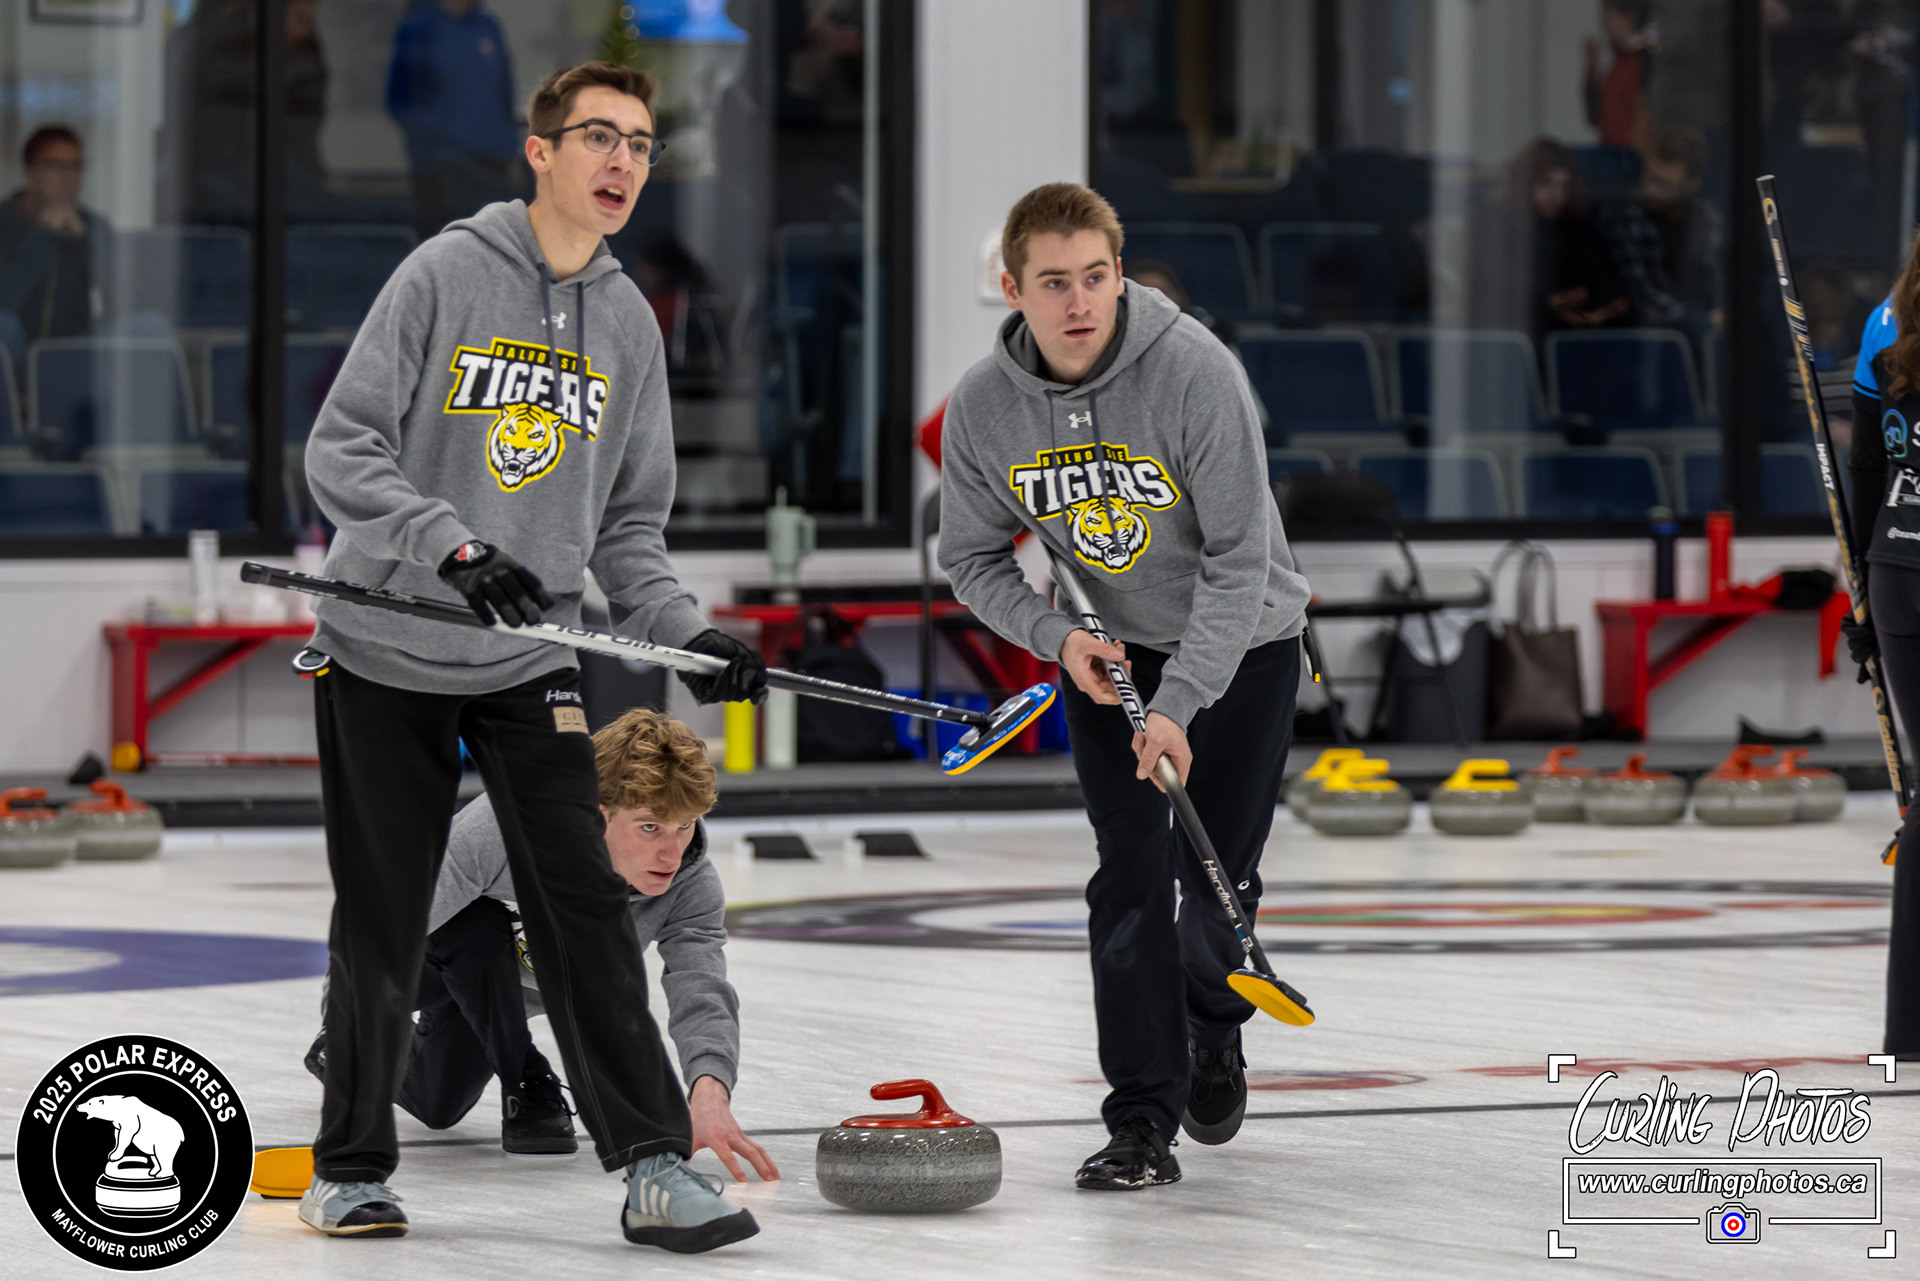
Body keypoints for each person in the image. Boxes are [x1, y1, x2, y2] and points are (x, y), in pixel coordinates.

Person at [296, 60, 767, 1252]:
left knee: (584, 906)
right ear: (540, 151)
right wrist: (451, 548)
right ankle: (348, 1171)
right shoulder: (444, 273)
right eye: (599, 136)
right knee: (385, 912)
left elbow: (630, 534)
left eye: (642, 144)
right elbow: (340, 450)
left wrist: (690, 636)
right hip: (384, 647)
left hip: (524, 659)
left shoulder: (628, 324)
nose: (622, 161)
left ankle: (653, 1165)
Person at [937, 183, 1311, 1191]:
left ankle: (1214, 1023)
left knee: (1217, 882)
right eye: (1054, 282)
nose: (1079, 302)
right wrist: (1057, 638)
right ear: (1013, 288)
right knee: (1132, 877)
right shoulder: (985, 407)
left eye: (1095, 277)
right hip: (1110, 659)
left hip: (1246, 646)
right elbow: (970, 558)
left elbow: (1239, 560)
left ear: (1117, 273)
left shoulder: (1195, 371)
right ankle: (1141, 1120)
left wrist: (1182, 701)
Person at [303, 708, 778, 1182]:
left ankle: (361, 1055)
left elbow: (701, 989)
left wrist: (709, 1093)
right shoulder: (504, 825)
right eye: (650, 827)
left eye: (685, 825)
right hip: (427, 962)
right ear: (598, 814)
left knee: (438, 1105)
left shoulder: (691, 885)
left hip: (495, 1004)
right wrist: (346, 1020)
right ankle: (525, 1076)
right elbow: (387, 927)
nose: (672, 853)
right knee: (476, 923)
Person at [1842, 255, 1920, 1060]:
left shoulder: (1885, 321)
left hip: (1897, 569)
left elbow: (1866, 467)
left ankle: (1909, 1027)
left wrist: (1863, 594)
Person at [1471, 138, 1630, 341]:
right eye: (1546, 184)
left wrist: (1602, 311)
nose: (1556, 195)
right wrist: (1548, 305)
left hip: (1576, 337)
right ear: (1525, 182)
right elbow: (1495, 298)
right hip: (1520, 336)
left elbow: (1604, 283)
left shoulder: (1574, 227)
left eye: (1563, 186)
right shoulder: (1495, 226)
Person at [388, 0, 525, 234]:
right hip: (441, 174)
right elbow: (401, 103)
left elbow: (504, 91)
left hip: (493, 166)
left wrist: (509, 144)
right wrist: (447, 140)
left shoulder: (487, 24)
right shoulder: (419, 28)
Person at [0, 126, 113, 384]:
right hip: (17, 358)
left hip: (77, 350)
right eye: (55, 166)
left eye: (76, 167)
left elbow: (123, 304)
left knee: (152, 325)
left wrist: (84, 244)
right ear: (29, 175)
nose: (68, 177)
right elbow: (5, 304)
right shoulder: (4, 223)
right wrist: (42, 236)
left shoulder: (92, 226)